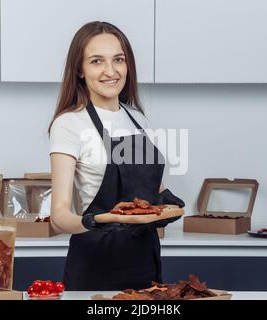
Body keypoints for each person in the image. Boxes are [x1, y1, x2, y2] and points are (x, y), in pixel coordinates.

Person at [48, 21, 184, 291]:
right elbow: (59, 216)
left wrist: (166, 200)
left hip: (145, 264)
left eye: (118, 60)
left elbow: (147, 187)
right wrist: (97, 220)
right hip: (95, 265)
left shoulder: (138, 119)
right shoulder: (69, 124)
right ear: (79, 69)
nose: (111, 71)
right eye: (97, 61)